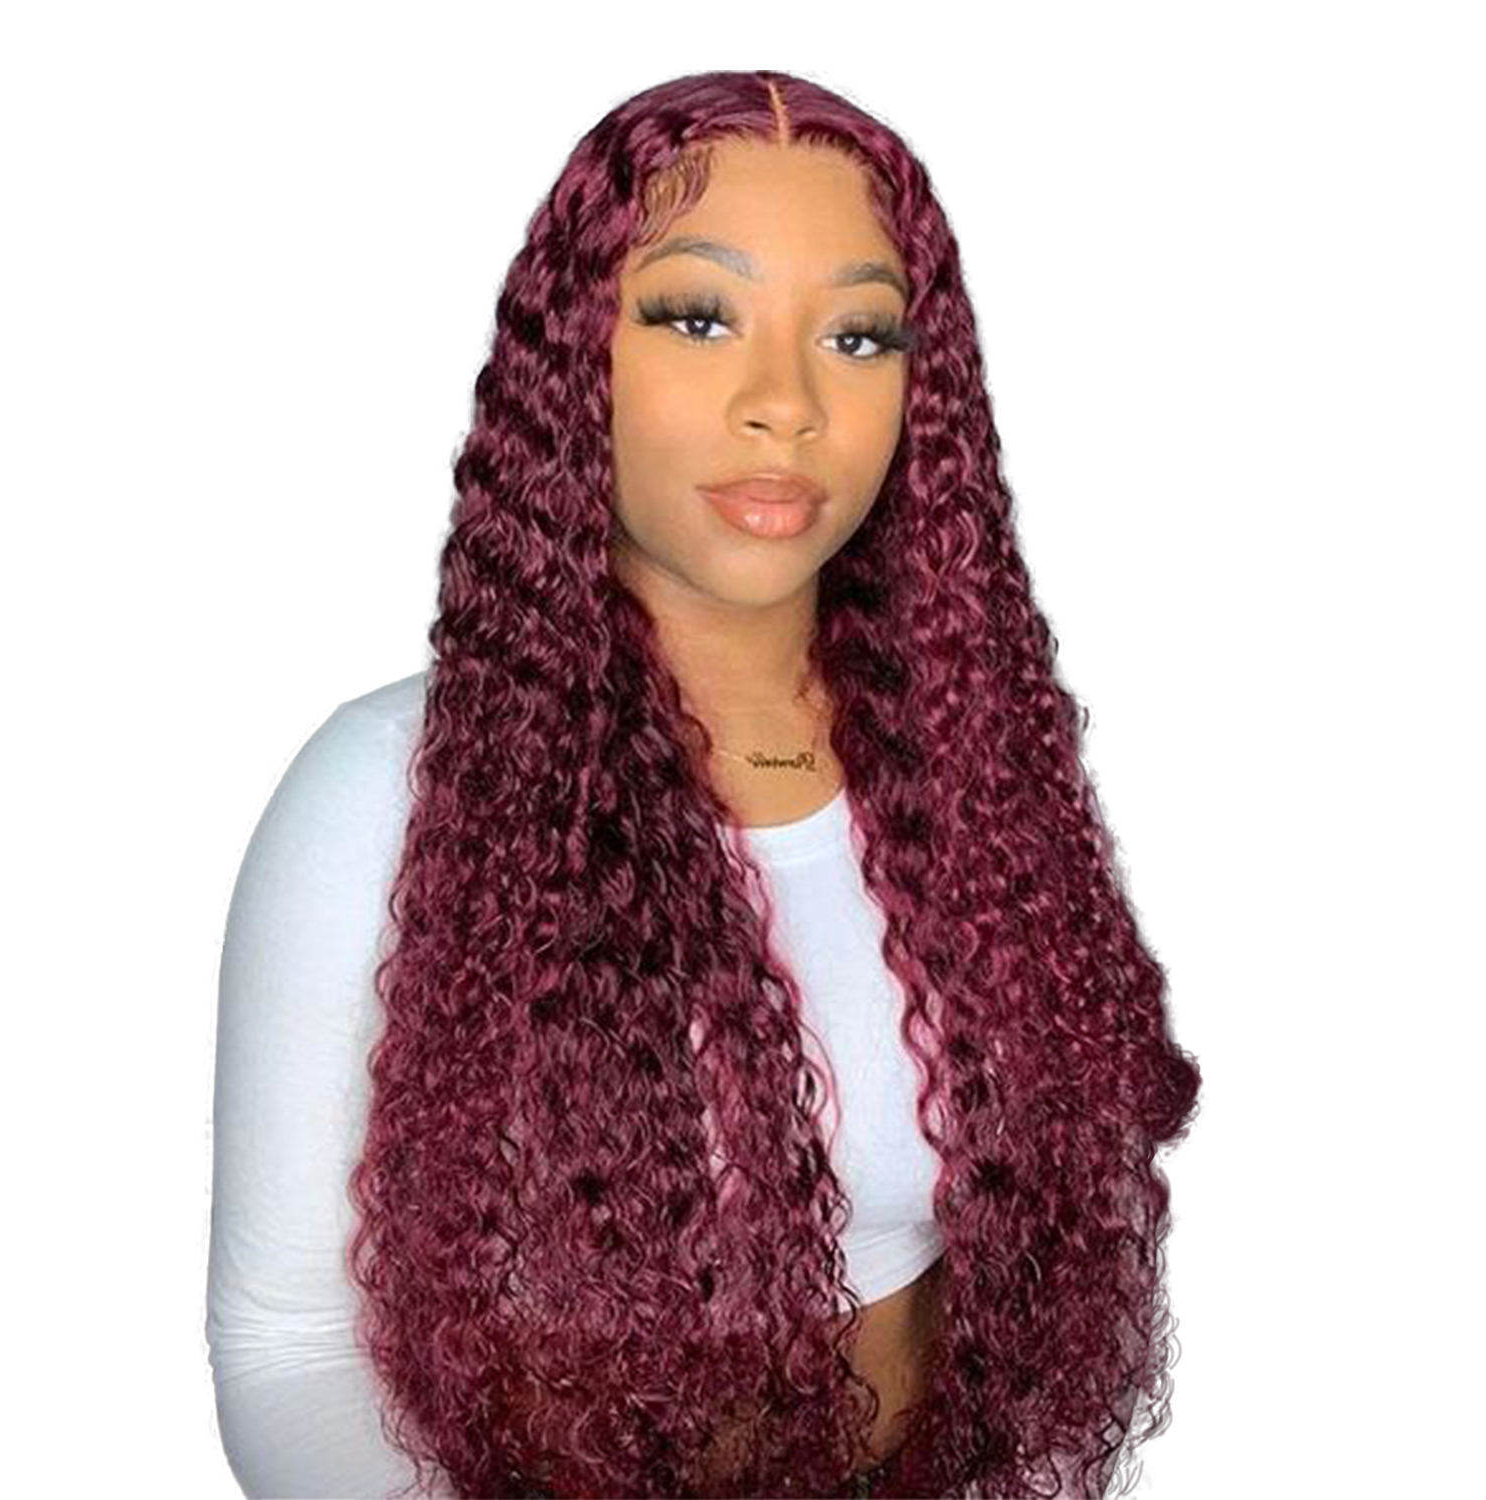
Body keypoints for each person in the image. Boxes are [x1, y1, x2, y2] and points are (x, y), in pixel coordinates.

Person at [206, 69, 1201, 1500]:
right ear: (575, 357)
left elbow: (1046, 1284)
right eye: (696, 316)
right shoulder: (385, 792)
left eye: (857, 335)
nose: (784, 405)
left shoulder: (982, 780)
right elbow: (292, 1345)